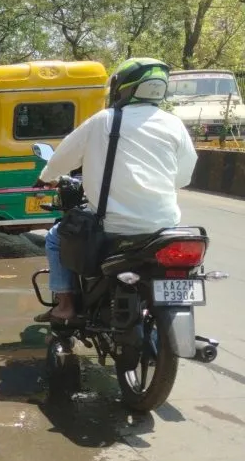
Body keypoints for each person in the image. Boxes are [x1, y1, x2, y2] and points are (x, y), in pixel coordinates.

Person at [35, 58, 197, 324]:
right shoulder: (174, 124)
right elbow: (184, 176)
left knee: (55, 237)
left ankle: (65, 307)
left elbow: (63, 157)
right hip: (164, 227)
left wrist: (46, 177)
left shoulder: (104, 120)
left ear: (122, 87)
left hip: (112, 226)